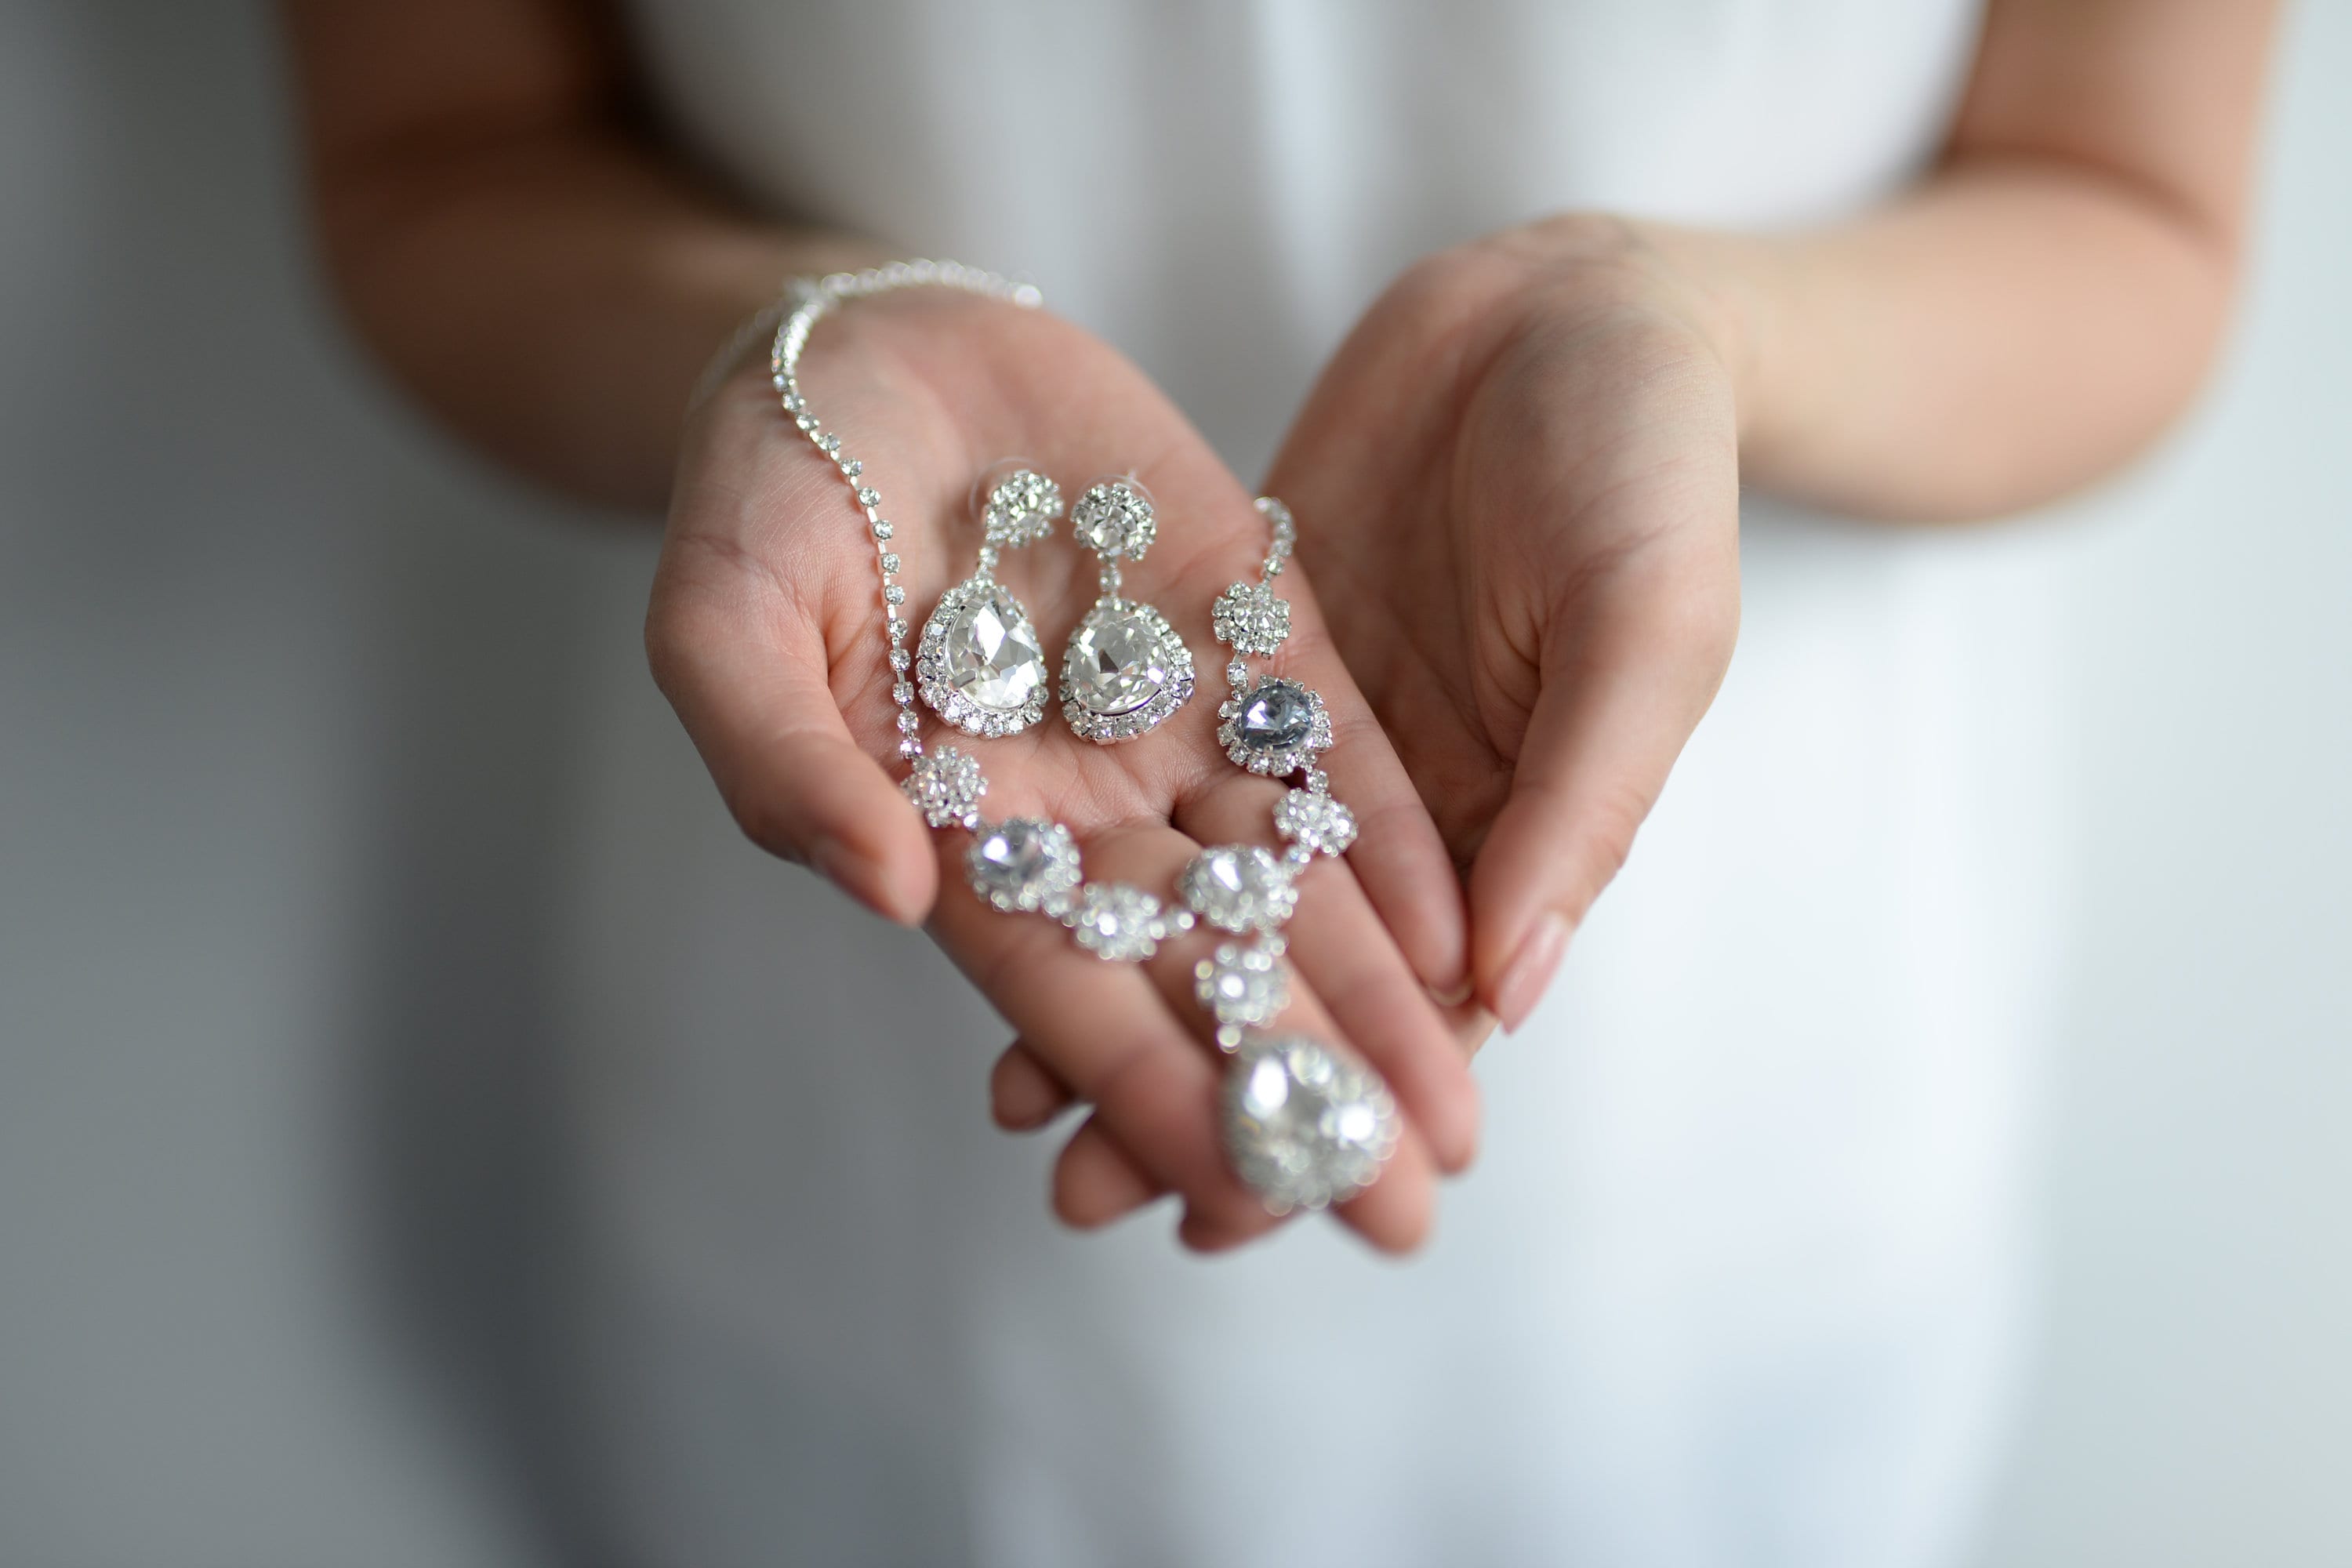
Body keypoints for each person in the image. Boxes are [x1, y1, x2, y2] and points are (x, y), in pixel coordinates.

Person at [285, 2, 2277, 1563]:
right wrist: (790, 344)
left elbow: (2131, 205)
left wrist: (1679, 327)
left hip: (1736, 1129)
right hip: (837, 1114)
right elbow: (435, 165)